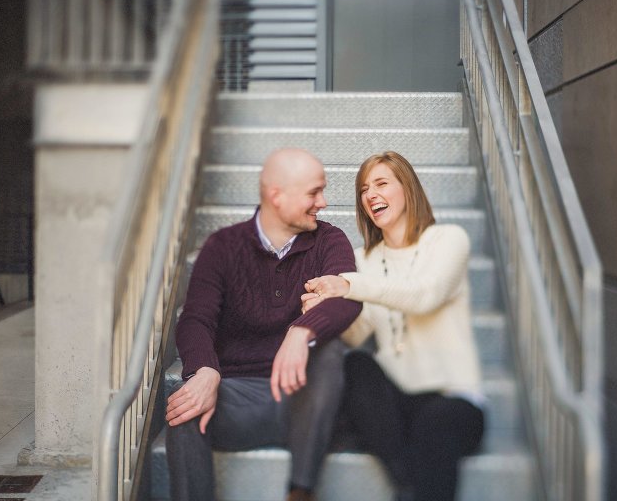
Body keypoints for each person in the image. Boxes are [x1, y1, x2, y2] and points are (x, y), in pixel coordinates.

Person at [166, 148, 362, 501]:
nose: (324, 202)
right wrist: (204, 371)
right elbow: (196, 319)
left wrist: (301, 331)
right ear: (277, 196)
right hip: (243, 398)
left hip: (310, 400)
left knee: (331, 351)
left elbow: (346, 299)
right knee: (184, 408)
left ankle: (300, 492)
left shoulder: (329, 240)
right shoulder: (223, 247)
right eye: (314, 192)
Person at [302, 151, 485, 501]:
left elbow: (425, 295)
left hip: (454, 400)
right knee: (356, 365)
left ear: (408, 188)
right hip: (397, 404)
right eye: (364, 189)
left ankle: (409, 487)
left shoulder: (448, 240)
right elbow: (359, 332)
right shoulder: (363, 260)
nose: (370, 195)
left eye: (382, 183)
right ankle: (406, 484)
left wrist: (351, 285)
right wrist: (326, 311)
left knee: (434, 424)